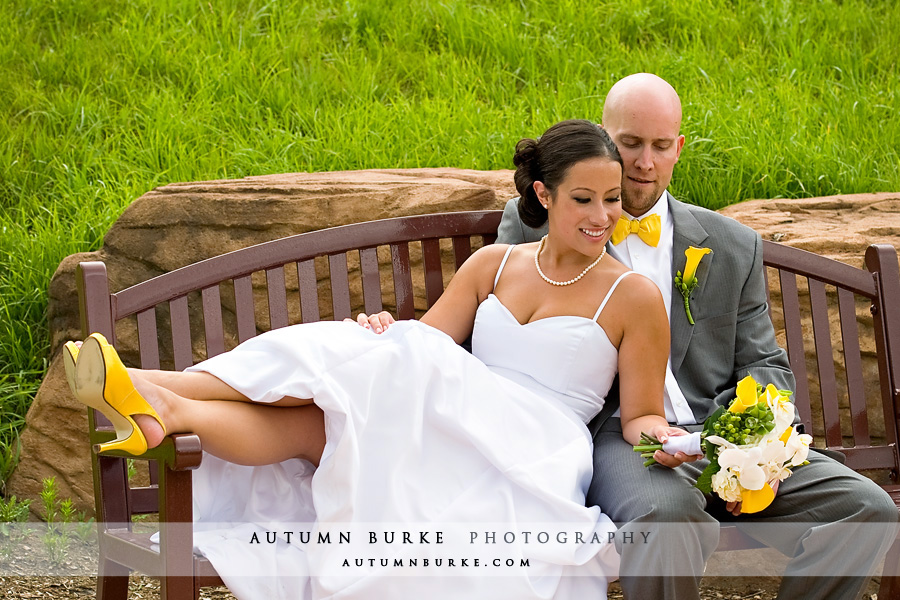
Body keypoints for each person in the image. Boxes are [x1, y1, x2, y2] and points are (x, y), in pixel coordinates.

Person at [64, 120, 684, 600]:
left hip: (537, 448)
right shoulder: (492, 266)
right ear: (545, 194)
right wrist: (384, 332)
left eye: (611, 199)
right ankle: (166, 408)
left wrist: (687, 445)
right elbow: (430, 342)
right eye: (584, 199)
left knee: (379, 367)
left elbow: (640, 416)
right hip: (459, 419)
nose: (604, 216)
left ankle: (152, 383)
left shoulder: (632, 295)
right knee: (325, 420)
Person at [495, 73, 899, 599]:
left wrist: (756, 448)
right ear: (603, 139)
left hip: (719, 429)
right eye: (630, 143)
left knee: (868, 511)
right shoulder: (544, 223)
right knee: (667, 515)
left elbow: (765, 363)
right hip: (618, 437)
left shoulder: (732, 246)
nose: (645, 162)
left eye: (661, 146)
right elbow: (490, 329)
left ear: (679, 148)